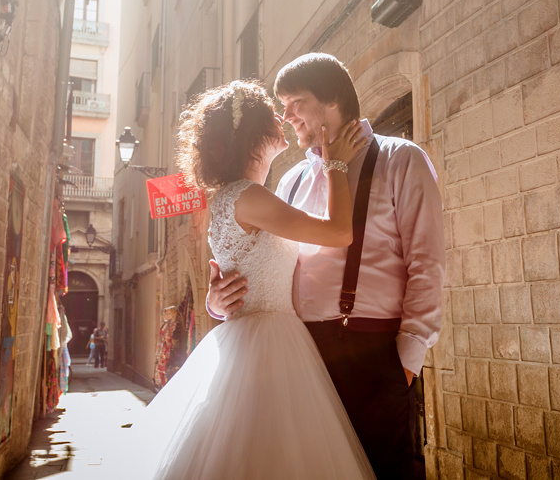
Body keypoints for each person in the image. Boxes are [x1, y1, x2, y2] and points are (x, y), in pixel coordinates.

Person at [118, 80, 374, 479]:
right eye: (270, 112)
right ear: (252, 134)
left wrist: (213, 302)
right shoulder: (249, 196)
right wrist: (336, 162)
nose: (282, 117)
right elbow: (339, 233)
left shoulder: (233, 198)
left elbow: (236, 277)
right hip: (269, 346)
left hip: (247, 340)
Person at [209, 54, 446, 479]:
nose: (286, 116)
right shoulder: (290, 181)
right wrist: (217, 301)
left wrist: (406, 363)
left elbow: (427, 265)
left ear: (332, 99)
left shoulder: (401, 160)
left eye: (295, 102)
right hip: (300, 357)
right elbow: (261, 264)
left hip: (374, 357)